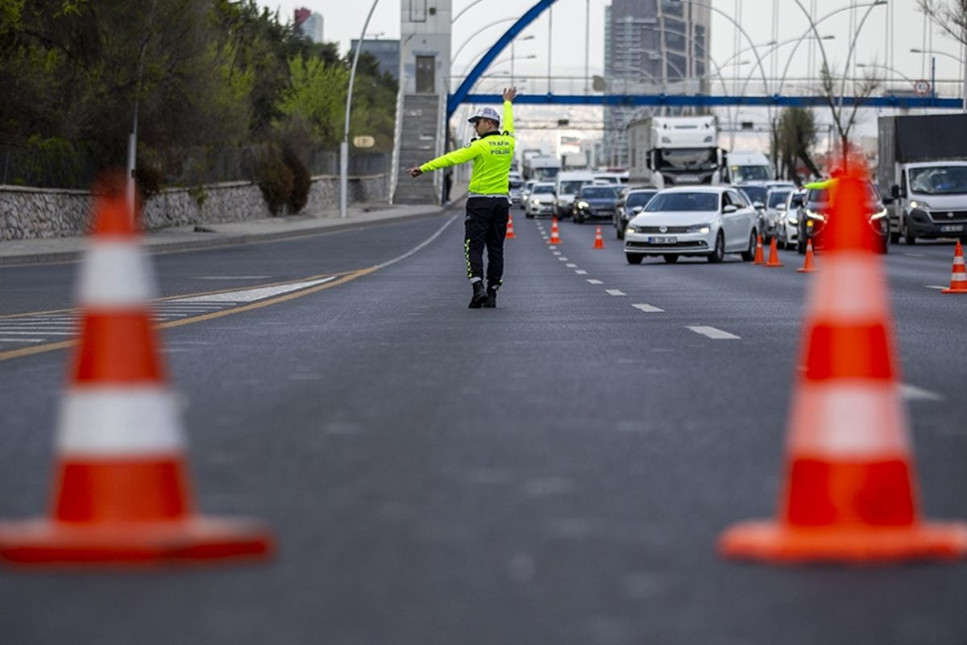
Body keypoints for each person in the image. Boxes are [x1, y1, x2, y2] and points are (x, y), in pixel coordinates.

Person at [408, 87, 517, 308]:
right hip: (501, 203)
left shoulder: (480, 146)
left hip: (479, 203)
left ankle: (478, 288)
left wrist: (423, 168)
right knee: (496, 248)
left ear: (488, 123)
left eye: (477, 123)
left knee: (473, 246)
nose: (475, 128)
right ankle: (493, 292)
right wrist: (507, 103)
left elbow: (451, 159)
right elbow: (510, 124)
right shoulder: (509, 142)